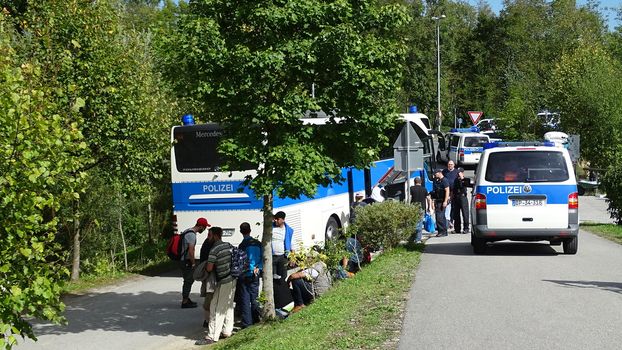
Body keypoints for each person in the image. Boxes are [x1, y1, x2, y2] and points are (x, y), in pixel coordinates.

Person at [195, 227, 235, 346]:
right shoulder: (228, 245)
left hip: (223, 281)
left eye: (209, 234)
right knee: (228, 306)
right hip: (232, 279)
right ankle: (227, 331)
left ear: (215, 235)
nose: (208, 237)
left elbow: (209, 268)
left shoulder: (214, 249)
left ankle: (212, 336)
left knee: (215, 308)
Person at [237, 222, 263, 329]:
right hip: (255, 273)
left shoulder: (242, 245)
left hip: (245, 274)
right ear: (250, 230)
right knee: (255, 297)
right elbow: (262, 257)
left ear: (240, 232)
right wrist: (258, 267)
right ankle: (256, 318)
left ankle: (247, 322)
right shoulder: (258, 243)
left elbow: (240, 261)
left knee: (245, 298)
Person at [180, 217, 210, 309]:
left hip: (183, 260)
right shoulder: (192, 235)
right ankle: (185, 301)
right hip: (186, 261)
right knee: (188, 280)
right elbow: (191, 250)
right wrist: (193, 263)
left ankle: (186, 298)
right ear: (200, 226)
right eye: (204, 227)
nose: (204, 229)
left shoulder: (187, 231)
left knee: (187, 279)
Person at [199, 228, 216, 328]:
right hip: (209, 275)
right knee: (209, 297)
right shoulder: (210, 245)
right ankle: (208, 320)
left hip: (206, 275)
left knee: (208, 296)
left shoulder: (207, 243)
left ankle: (208, 319)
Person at [272, 211, 294, 282]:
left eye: (277, 219)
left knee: (283, 277)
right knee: (273, 278)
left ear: (283, 220)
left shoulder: (288, 230)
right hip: (272, 257)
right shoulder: (271, 228)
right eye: (275, 218)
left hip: (283, 257)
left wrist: (292, 258)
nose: (275, 220)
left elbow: (292, 244)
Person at [410, 176, 432, 243]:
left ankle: (412, 238)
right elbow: (428, 198)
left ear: (414, 182)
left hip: (414, 207)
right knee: (420, 223)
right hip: (422, 207)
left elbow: (409, 197)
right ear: (421, 182)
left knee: (413, 222)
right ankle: (418, 239)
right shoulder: (424, 189)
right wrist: (429, 207)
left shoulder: (411, 188)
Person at [431, 169, 450, 237]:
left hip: (442, 201)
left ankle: (442, 231)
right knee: (440, 216)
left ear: (439, 173)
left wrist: (445, 201)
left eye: (435, 174)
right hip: (438, 201)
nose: (434, 175)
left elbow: (447, 191)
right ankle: (442, 231)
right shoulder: (437, 181)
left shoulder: (444, 180)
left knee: (440, 217)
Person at [452, 167, 471, 234]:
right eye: (458, 172)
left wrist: (462, 178)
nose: (458, 173)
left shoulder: (465, 179)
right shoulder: (456, 179)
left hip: (463, 197)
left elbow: (463, 186)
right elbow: (454, 189)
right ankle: (457, 228)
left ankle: (466, 228)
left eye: (459, 172)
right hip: (456, 197)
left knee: (465, 213)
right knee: (456, 214)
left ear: (462, 172)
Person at [442, 160, 459, 231]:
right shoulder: (444, 171)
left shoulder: (456, 172)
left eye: (451, 164)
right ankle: (448, 221)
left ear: (454, 165)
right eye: (449, 164)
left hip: (454, 192)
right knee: (448, 207)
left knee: (453, 208)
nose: (450, 165)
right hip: (447, 192)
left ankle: (452, 220)